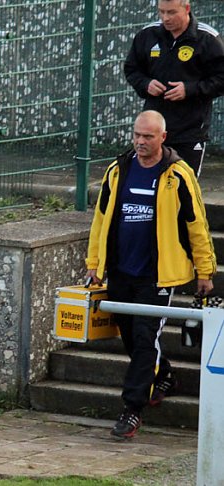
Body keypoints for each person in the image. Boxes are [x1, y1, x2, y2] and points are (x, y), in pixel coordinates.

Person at [85, 110, 215, 439]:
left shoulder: (178, 175)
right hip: (120, 272)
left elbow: (196, 225)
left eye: (148, 137)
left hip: (156, 277)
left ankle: (131, 410)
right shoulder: (119, 171)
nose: (140, 142)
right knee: (131, 338)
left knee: (145, 340)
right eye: (137, 136)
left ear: (163, 138)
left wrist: (205, 270)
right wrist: (94, 264)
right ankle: (165, 376)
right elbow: (101, 220)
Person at [124, 0, 224, 176]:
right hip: (154, 130)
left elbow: (221, 78)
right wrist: (145, 84)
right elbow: (132, 69)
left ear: (187, 9)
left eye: (171, 12)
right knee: (151, 184)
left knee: (184, 186)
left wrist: (190, 89)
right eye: (161, 12)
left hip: (191, 129)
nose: (165, 18)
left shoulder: (207, 38)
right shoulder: (147, 35)